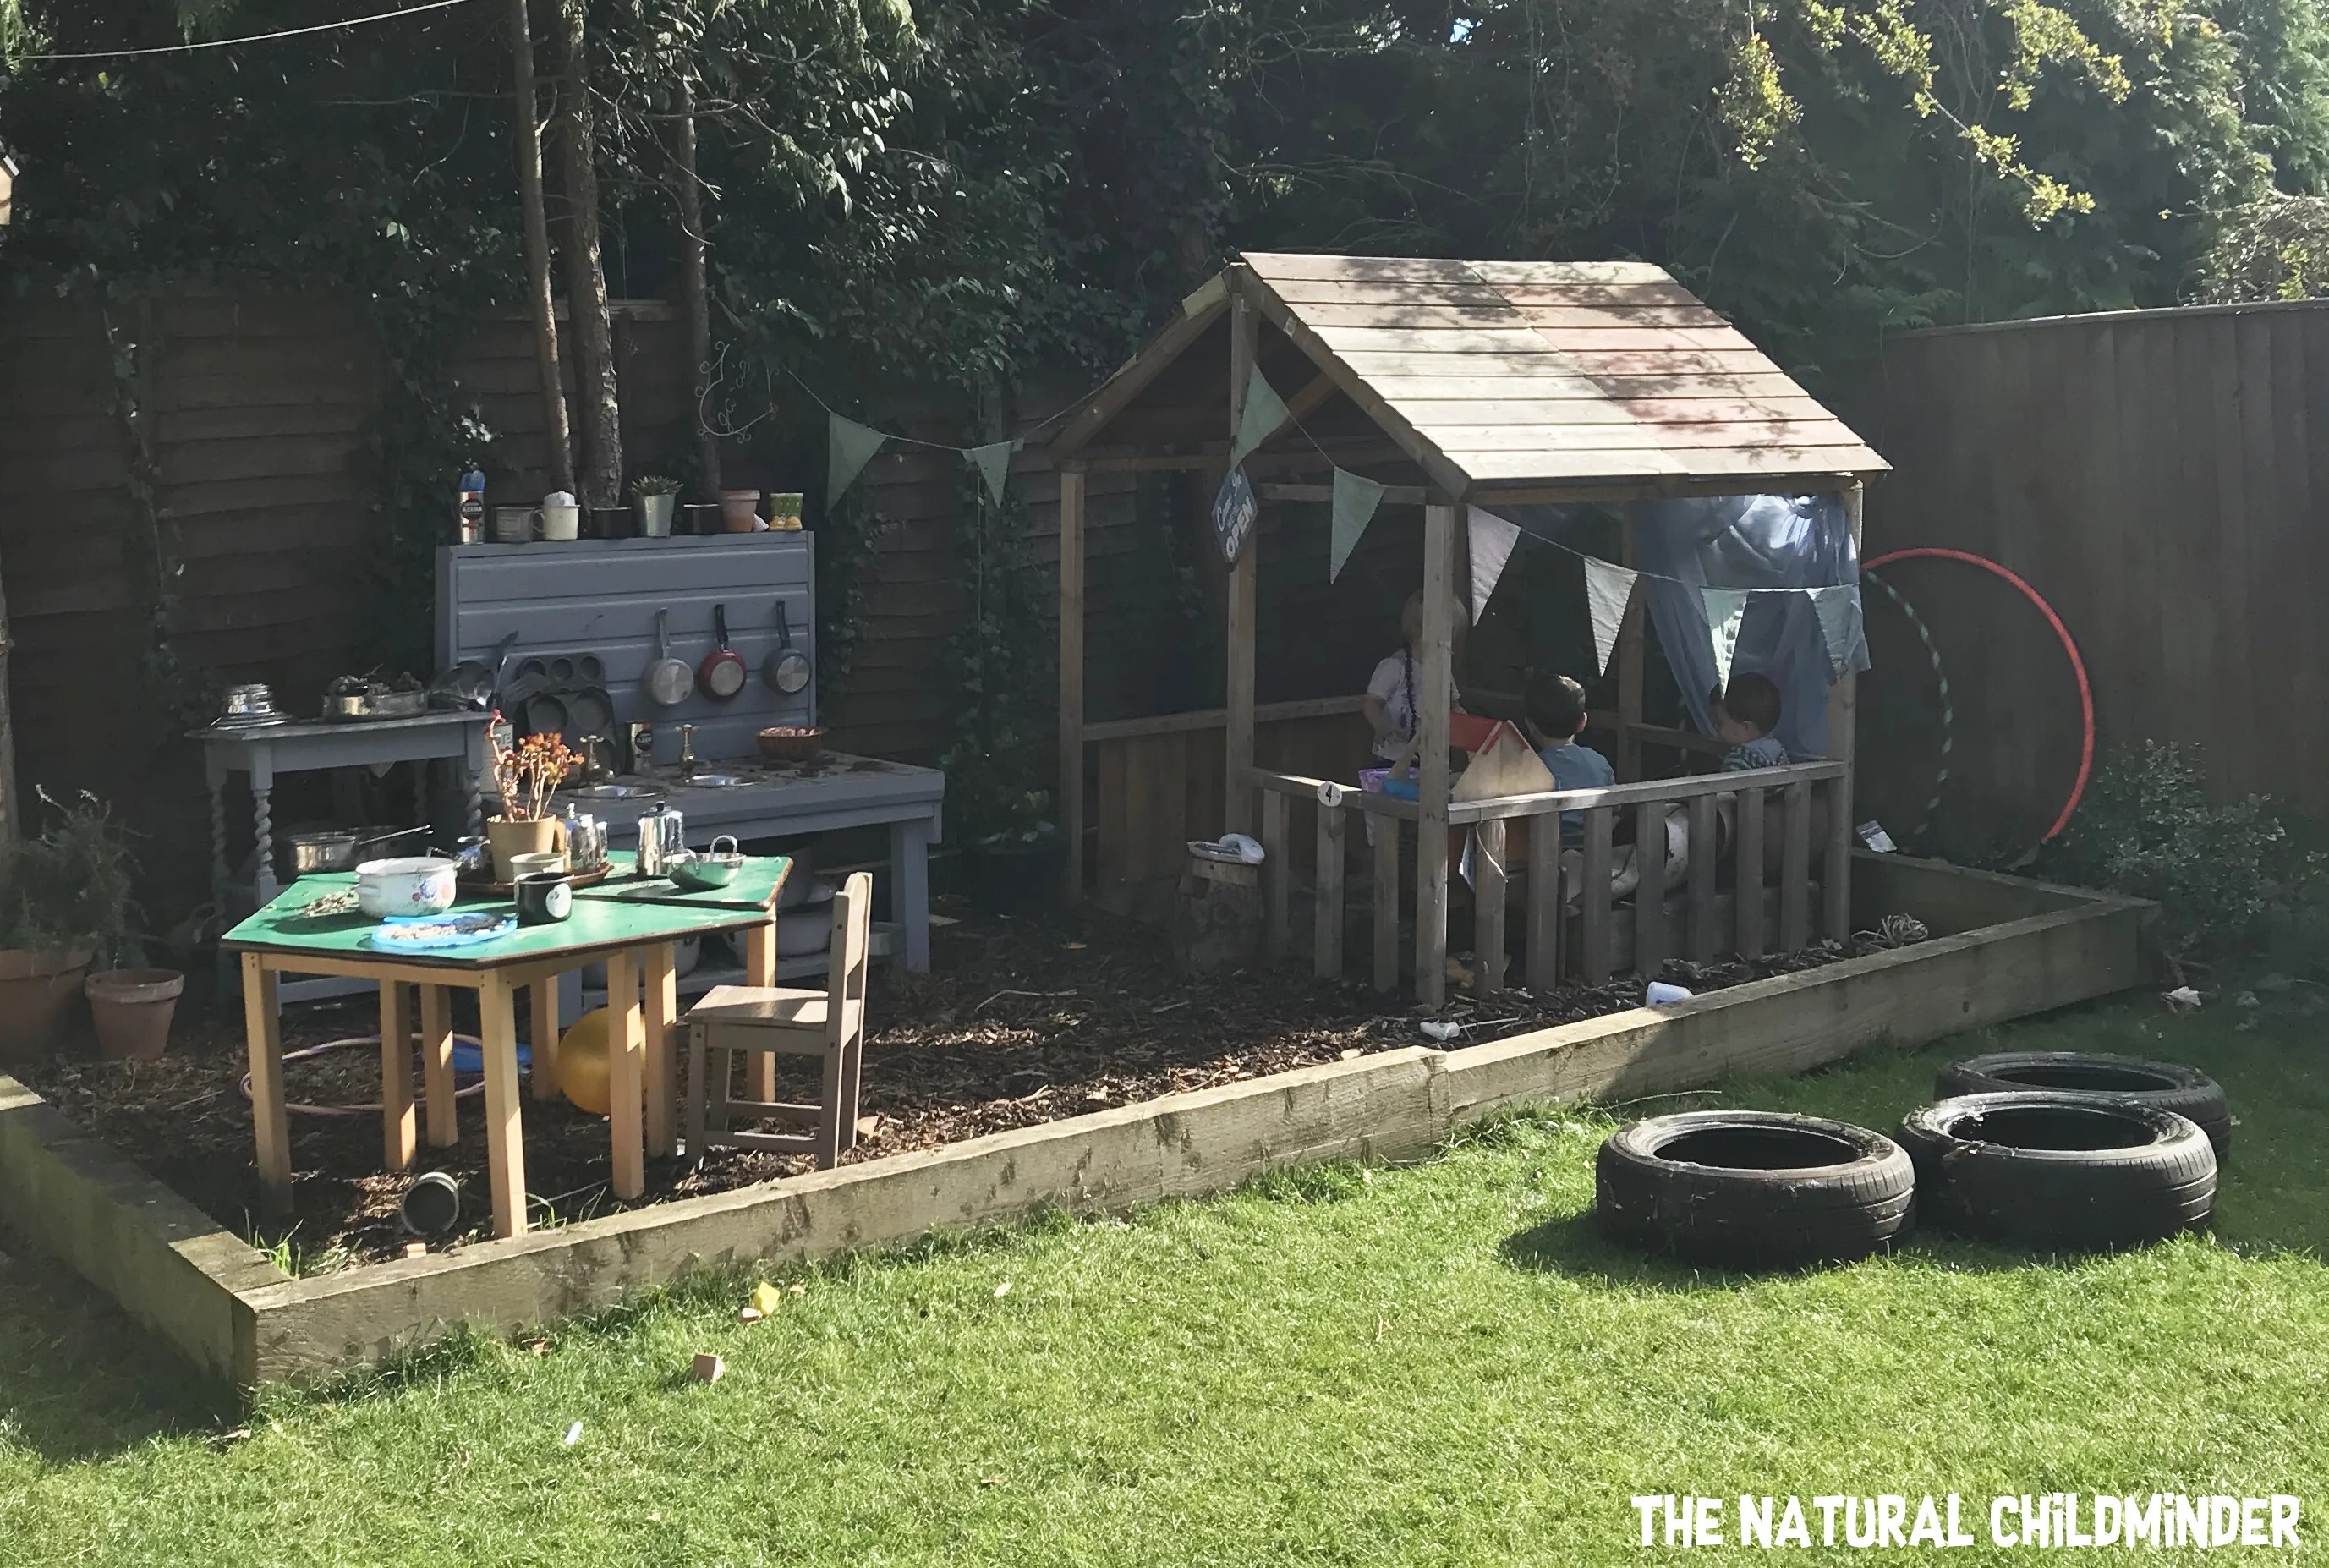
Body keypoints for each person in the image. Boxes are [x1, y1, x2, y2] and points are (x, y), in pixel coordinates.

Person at [1363, 589, 1465, 776]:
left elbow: (1454, 707)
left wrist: (1469, 725)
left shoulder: (1443, 672)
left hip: (1429, 762)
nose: (1450, 643)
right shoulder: (1394, 667)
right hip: (1392, 761)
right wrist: (1384, 726)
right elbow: (1372, 703)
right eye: (1447, 636)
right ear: (1421, 633)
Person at [1523, 674, 1614, 844]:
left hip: (1543, 857)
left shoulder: (1528, 768)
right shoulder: (1599, 762)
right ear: (1583, 722)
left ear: (1530, 725)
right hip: (1597, 852)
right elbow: (1615, 809)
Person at [1712, 672, 1789, 771]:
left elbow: (1726, 785)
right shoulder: (1777, 748)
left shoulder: (1740, 757)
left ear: (1746, 727)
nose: (1715, 727)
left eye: (1719, 723)